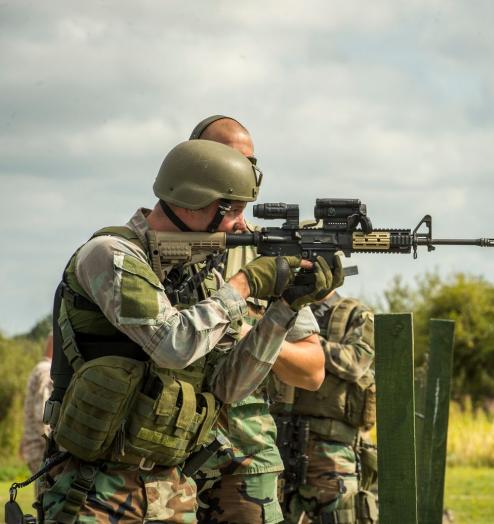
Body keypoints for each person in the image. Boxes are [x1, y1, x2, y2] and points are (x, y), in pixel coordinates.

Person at [40, 139, 343, 523]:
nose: (241, 224)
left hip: (172, 493)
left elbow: (228, 387)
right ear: (189, 201)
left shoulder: (201, 278)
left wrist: (285, 309)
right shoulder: (110, 254)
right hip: (92, 490)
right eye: (230, 209)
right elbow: (172, 344)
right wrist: (246, 284)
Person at [189, 116, 327, 524]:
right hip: (158, 454)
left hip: (242, 461)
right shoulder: (155, 244)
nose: (241, 171)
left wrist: (252, 333)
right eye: (229, 158)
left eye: (250, 162)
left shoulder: (264, 255)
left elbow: (312, 370)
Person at [271, 289, 379, 524]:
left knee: (339, 516)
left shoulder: (356, 314)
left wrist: (307, 345)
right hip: (281, 440)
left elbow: (356, 363)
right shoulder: (283, 310)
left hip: (332, 448)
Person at [20, 333, 54, 475]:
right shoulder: (47, 370)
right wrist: (51, 447)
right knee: (47, 494)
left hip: (35, 447)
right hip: (42, 450)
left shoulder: (40, 368)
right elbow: (43, 415)